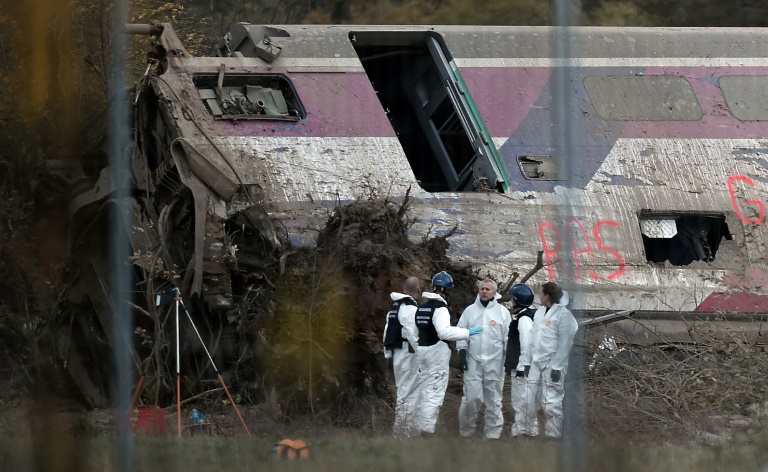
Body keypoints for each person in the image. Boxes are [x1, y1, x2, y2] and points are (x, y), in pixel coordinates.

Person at [414, 271, 483, 436]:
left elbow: (416, 332)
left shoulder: (422, 308)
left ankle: (418, 429)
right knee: (434, 393)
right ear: (447, 290)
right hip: (436, 353)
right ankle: (427, 432)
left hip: (422, 352)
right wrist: (468, 332)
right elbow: (444, 333)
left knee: (424, 392)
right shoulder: (440, 309)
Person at [519, 281, 578, 438]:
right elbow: (531, 339)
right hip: (535, 364)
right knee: (527, 400)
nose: (539, 296)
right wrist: (526, 362)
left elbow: (565, 342)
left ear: (547, 296)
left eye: (541, 293)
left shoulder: (564, 315)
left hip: (552, 364)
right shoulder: (539, 313)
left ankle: (553, 436)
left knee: (551, 403)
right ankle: (526, 432)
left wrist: (557, 367)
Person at [456, 279, 511, 439]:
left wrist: (508, 360)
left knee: (494, 401)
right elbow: (461, 332)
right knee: (471, 398)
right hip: (473, 362)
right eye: (482, 289)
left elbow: (507, 338)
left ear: (494, 292)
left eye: (488, 289)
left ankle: (493, 435)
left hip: (496, 363)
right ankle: (466, 433)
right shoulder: (470, 311)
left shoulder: (502, 312)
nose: (484, 291)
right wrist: (462, 352)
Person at [382, 276, 422, 437]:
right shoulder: (410, 309)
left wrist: (387, 354)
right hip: (408, 353)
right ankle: (402, 432)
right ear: (418, 291)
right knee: (408, 393)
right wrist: (422, 353)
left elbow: (387, 333)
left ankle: (409, 431)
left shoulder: (394, 308)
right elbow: (412, 334)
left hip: (398, 354)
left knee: (404, 391)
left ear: (403, 288)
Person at [504, 283, 536, 437]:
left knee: (521, 400)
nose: (510, 301)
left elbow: (526, 343)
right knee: (521, 400)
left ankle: (524, 431)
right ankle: (524, 430)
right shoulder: (522, 316)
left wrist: (522, 366)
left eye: (512, 298)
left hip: (521, 367)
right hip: (519, 365)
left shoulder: (524, 319)